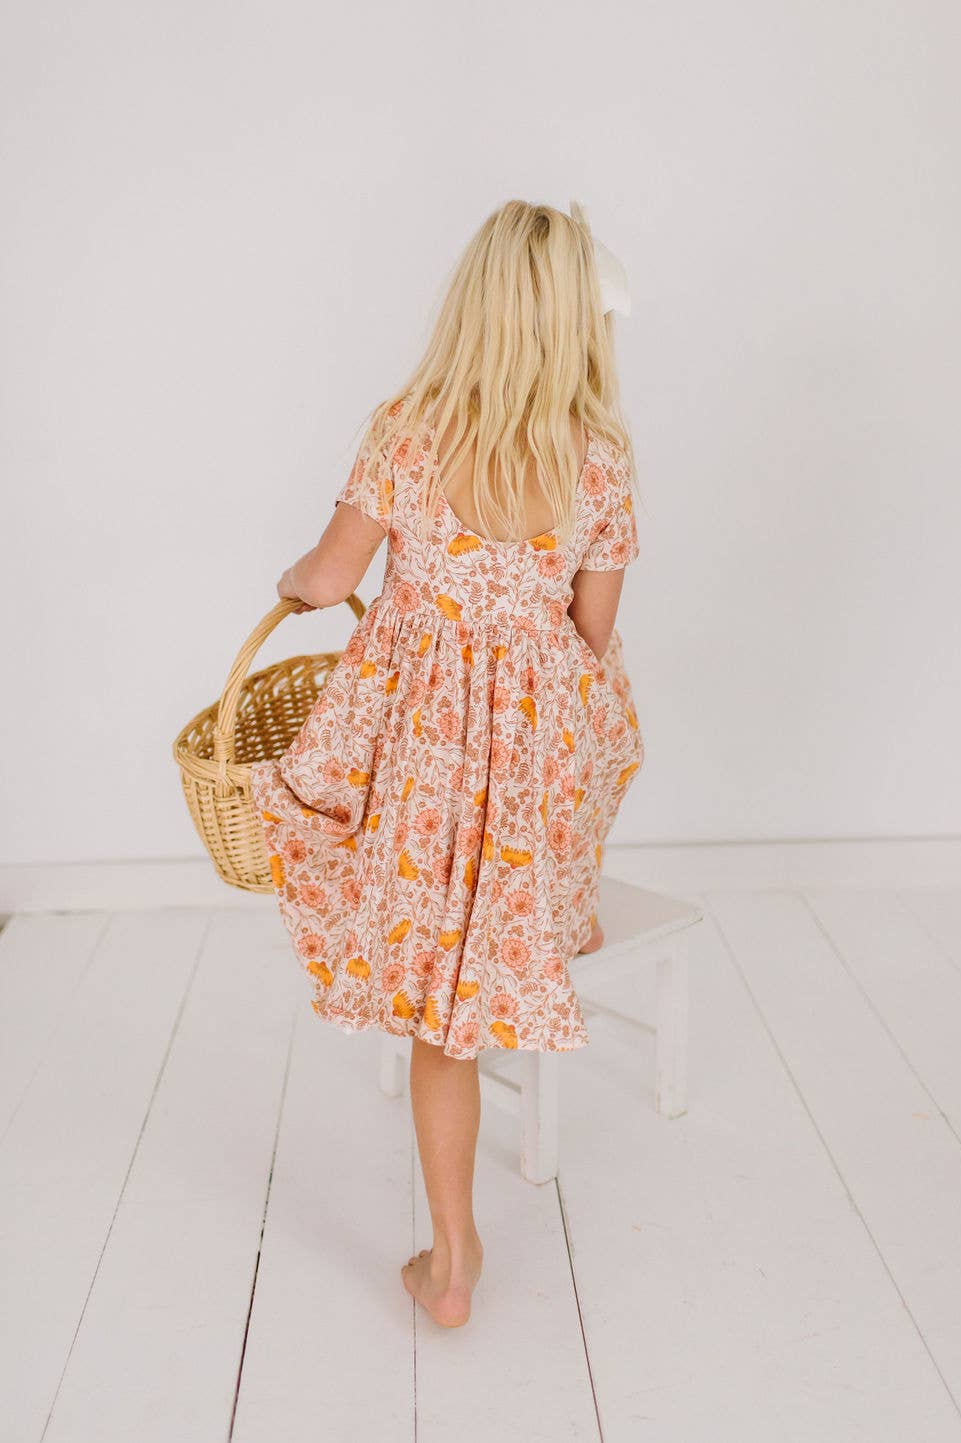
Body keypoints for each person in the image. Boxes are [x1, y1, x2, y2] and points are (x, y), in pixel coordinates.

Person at [249, 198, 645, 1329]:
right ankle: (552, 907)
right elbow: (594, 633)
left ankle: (454, 1251)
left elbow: (331, 578)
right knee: (603, 733)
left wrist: (297, 582)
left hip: (427, 762)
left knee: (440, 1020)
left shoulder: (408, 431)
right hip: (537, 765)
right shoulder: (599, 460)